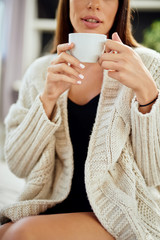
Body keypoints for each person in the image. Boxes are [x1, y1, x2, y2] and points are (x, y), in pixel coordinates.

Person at [0, 0, 160, 239]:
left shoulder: (148, 65)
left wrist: (147, 93)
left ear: (120, 6)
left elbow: (153, 174)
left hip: (121, 213)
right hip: (54, 206)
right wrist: (48, 98)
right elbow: (17, 164)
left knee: (22, 233)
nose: (93, 4)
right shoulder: (40, 72)